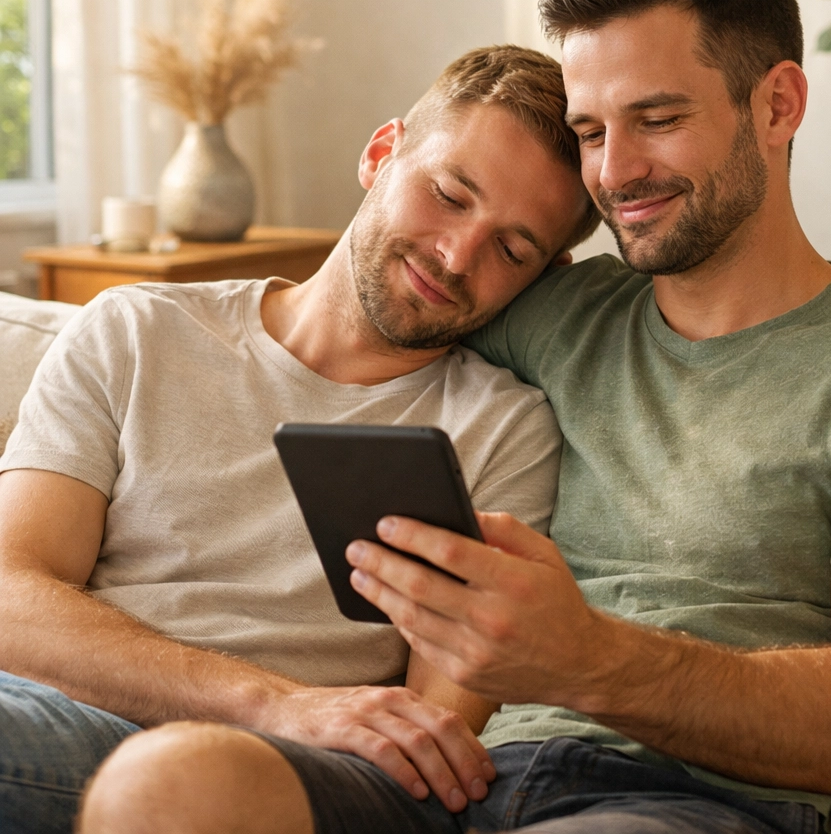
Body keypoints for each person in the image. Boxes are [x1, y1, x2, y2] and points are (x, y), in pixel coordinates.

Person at [78, 0, 831, 834]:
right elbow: (371, 300)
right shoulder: (547, 311)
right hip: (456, 784)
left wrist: (590, 660)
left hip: (691, 799)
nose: (617, 172)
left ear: (777, 104)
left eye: (657, 120)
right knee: (170, 784)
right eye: (591, 131)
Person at [0, 45, 599, 834]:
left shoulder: (503, 431)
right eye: (450, 195)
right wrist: (272, 702)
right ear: (381, 154)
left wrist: (286, 732)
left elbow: (436, 727)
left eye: (512, 249)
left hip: (274, 781)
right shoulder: (137, 330)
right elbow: (12, 593)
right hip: (64, 709)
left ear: (545, 274)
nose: (457, 256)